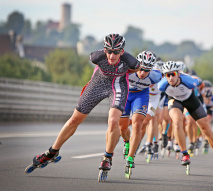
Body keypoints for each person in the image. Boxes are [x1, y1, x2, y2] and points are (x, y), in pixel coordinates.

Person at [28, 34, 141, 173]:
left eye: (116, 52)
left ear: (122, 51)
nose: (112, 55)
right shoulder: (96, 57)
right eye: (109, 51)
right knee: (75, 119)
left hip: (118, 86)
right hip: (98, 83)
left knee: (113, 121)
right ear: (104, 50)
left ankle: (107, 157)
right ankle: (52, 152)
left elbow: (136, 69)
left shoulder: (131, 61)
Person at [158, 61, 213, 171]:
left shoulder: (189, 81)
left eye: (173, 74)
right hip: (174, 100)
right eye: (167, 75)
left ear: (178, 73)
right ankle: (185, 154)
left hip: (190, 100)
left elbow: (200, 83)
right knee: (177, 122)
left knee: (205, 127)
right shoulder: (162, 85)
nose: (171, 78)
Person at [119, 50, 162, 168]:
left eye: (147, 70)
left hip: (141, 95)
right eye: (141, 69)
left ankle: (131, 157)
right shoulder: (128, 69)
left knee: (138, 124)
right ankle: (127, 142)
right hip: (126, 93)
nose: (143, 73)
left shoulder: (156, 76)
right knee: (122, 128)